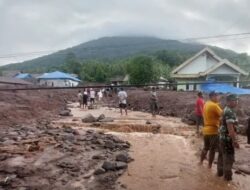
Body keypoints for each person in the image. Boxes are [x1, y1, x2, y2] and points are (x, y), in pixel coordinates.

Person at [217, 94, 239, 181]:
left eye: (236, 100)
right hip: (227, 139)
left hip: (222, 137)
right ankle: (227, 179)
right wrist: (234, 141)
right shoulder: (229, 112)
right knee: (229, 158)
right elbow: (230, 128)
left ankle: (219, 174)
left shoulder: (224, 110)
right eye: (234, 100)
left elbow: (220, 123)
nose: (236, 102)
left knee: (221, 156)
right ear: (229, 102)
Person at [200, 91, 222, 168]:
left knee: (205, 147)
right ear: (212, 96)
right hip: (213, 131)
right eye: (217, 96)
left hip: (205, 130)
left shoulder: (206, 104)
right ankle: (209, 166)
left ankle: (200, 162)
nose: (218, 97)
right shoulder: (214, 106)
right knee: (212, 149)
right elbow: (223, 115)